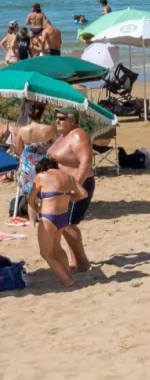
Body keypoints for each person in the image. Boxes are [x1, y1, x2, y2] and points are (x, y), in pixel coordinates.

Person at [27, 155, 88, 287]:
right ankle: (68, 277)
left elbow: (30, 199)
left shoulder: (42, 176)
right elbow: (83, 194)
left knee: (46, 253)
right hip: (63, 217)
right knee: (57, 248)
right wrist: (68, 197)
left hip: (49, 218)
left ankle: (66, 280)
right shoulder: (69, 177)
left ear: (42, 169)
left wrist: (37, 209)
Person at [45, 110, 95, 247]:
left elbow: (86, 162)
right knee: (63, 224)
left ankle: (80, 259)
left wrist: (75, 186)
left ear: (73, 121)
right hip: (62, 187)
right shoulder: (62, 136)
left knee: (68, 225)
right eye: (56, 118)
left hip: (77, 184)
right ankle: (76, 259)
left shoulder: (78, 135)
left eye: (62, 118)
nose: (57, 121)